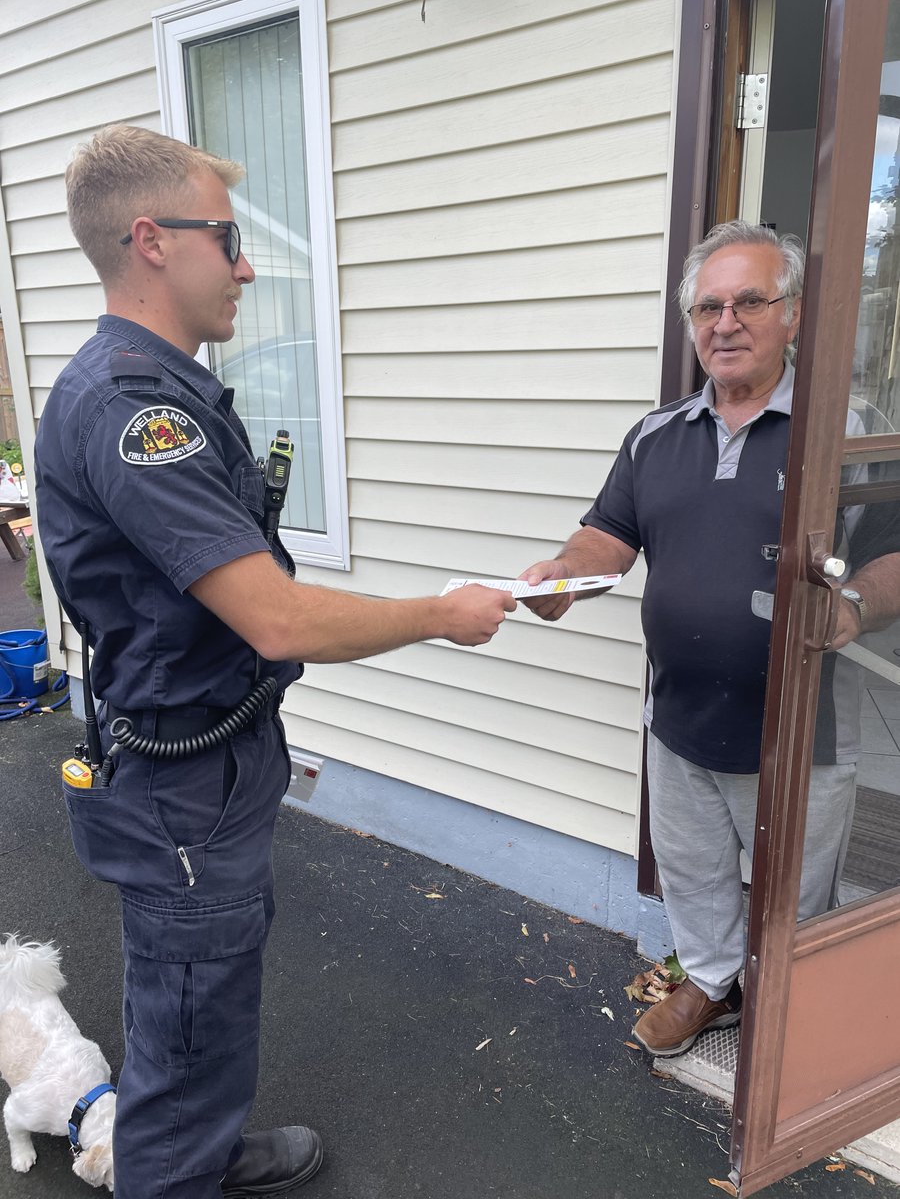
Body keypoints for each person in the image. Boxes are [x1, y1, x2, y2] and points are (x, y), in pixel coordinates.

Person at [33, 124, 516, 1199]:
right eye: (229, 238)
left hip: (215, 751)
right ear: (153, 241)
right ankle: (174, 1169)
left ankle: (204, 1148)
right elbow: (278, 621)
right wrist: (440, 613)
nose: (247, 264)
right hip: (181, 778)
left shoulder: (161, 387)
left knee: (213, 987)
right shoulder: (134, 411)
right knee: (188, 1008)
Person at [519, 220, 900, 1059]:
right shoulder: (657, 436)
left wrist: (852, 609)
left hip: (804, 726)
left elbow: (892, 558)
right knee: (691, 871)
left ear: (793, 315)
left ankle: (783, 994)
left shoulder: (850, 430)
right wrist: (560, 575)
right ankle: (711, 980)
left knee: (794, 892)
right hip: (680, 714)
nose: (724, 323)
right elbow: (607, 536)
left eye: (749, 302)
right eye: (707, 307)